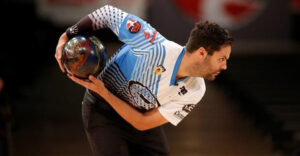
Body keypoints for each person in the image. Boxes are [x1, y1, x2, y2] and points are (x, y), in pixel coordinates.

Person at [55, 5, 233, 155]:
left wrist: (105, 91)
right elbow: (107, 13)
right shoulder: (153, 45)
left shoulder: (196, 89)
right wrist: (67, 35)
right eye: (221, 59)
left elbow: (143, 122)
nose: (224, 66)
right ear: (202, 53)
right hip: (103, 111)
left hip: (137, 117)